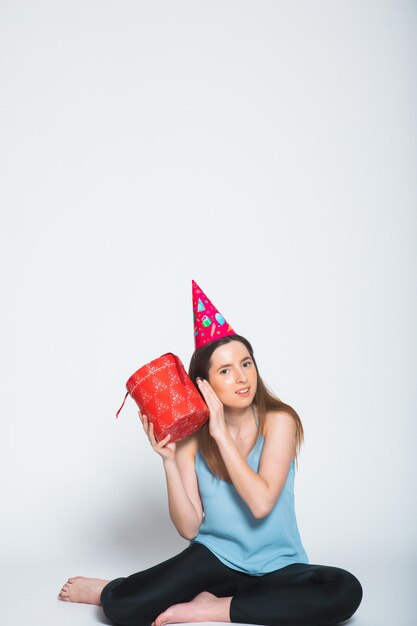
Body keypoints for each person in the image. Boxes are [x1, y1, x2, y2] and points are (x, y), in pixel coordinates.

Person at [58, 281, 363, 626]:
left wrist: (220, 434)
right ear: (203, 383)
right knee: (124, 611)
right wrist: (170, 463)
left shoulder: (280, 421)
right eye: (225, 371)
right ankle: (113, 589)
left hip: (279, 566)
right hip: (212, 560)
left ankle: (211, 607)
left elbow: (261, 503)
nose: (242, 378)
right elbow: (189, 528)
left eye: (246, 364)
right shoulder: (190, 440)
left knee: (344, 590)